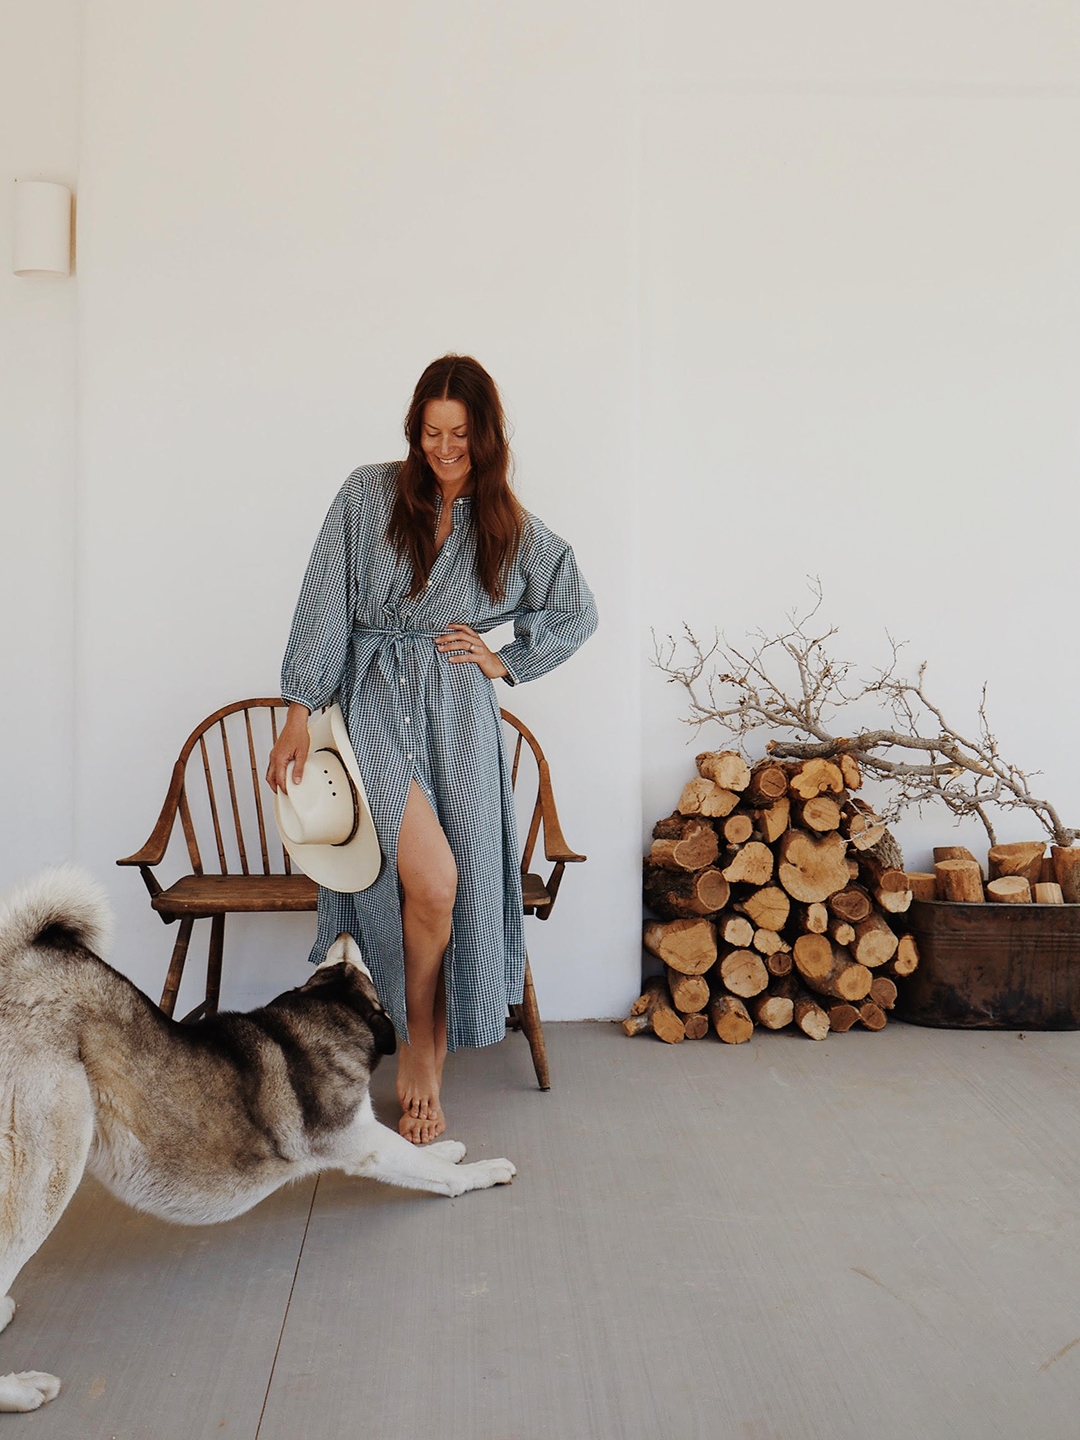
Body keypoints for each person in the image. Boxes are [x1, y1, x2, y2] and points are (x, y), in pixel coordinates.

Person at [266, 355, 597, 1144]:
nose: (445, 448)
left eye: (461, 434)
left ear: (486, 436)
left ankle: (429, 1056)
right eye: (431, 431)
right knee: (431, 877)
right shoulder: (367, 494)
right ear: (415, 429)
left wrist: (506, 657)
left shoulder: (507, 525)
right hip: (374, 701)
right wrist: (296, 710)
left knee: (452, 890)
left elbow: (575, 605)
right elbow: (323, 603)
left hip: (458, 712)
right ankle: (414, 1045)